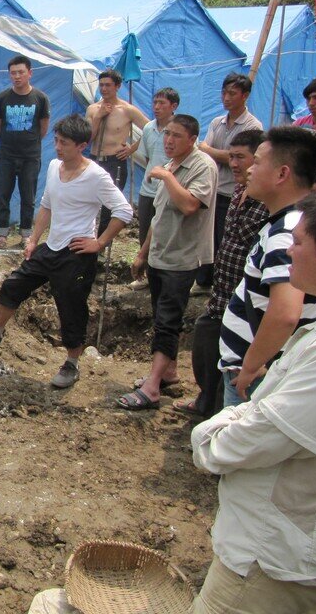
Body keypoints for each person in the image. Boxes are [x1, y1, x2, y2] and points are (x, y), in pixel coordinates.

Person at [190, 184, 316, 614]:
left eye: (298, 242)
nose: (288, 251)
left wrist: (207, 436)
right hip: (281, 549)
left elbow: (262, 434)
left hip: (274, 563)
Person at [0, 114, 132, 388]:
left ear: (82, 145)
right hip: (51, 247)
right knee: (14, 284)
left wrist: (98, 243)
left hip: (77, 254)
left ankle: (72, 364)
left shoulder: (97, 176)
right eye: (56, 140)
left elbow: (124, 210)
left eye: (64, 142)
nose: (57, 147)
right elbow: (47, 205)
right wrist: (33, 240)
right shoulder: (54, 166)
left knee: (70, 308)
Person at [217, 127, 316, 406]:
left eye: (258, 162)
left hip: (258, 375)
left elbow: (285, 312)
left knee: (238, 448)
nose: (249, 170)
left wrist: (250, 365)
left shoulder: (288, 232)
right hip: (264, 367)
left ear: (282, 174)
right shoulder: (296, 222)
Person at [120, 114, 217, 410]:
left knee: (167, 321)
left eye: (176, 136)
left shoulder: (202, 166)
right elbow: (159, 217)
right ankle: (169, 372)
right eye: (167, 135)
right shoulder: (171, 166)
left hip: (182, 257)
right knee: (161, 317)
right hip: (161, 254)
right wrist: (142, 252)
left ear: (193, 139)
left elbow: (189, 205)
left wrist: (167, 176)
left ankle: (151, 388)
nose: (169, 141)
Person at [173, 129, 267, 417]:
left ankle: (222, 412)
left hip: (248, 302)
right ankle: (206, 398)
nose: (233, 163)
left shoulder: (267, 204)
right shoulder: (237, 191)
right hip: (222, 291)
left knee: (234, 361)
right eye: (231, 156)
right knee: (205, 344)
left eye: (241, 157)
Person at [195, 73, 263, 293]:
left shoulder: (253, 125)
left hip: (234, 190)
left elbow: (231, 155)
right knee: (209, 236)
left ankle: (224, 284)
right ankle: (204, 280)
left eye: (232, 93)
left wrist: (214, 152)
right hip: (214, 188)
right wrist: (216, 152)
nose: (226, 97)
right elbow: (204, 151)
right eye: (224, 92)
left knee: (229, 238)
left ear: (245, 96)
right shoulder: (217, 122)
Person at [0, 55, 51, 250]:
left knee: (28, 197)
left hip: (30, 156)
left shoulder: (40, 98)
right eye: (13, 73)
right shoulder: (2, 98)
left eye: (21, 72)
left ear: (29, 73)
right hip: (6, 155)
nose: (17, 76)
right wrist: (9, 142)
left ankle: (26, 235)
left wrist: (29, 143)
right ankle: (1, 235)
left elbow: (43, 128)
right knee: (3, 196)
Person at [124, 88, 179, 290]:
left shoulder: (180, 129)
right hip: (148, 190)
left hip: (169, 191)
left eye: (162, 103)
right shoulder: (148, 128)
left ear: (173, 106)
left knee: (166, 233)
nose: (156, 107)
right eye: (155, 102)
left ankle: (165, 276)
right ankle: (144, 275)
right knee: (145, 232)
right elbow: (148, 158)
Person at [85, 68, 149, 238]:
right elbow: (87, 138)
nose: (104, 89)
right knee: (88, 202)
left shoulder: (127, 110)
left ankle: (99, 245)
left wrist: (132, 149)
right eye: (101, 85)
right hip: (94, 159)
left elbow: (151, 130)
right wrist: (98, 117)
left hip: (115, 161)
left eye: (108, 85)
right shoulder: (92, 109)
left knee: (108, 206)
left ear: (118, 86)